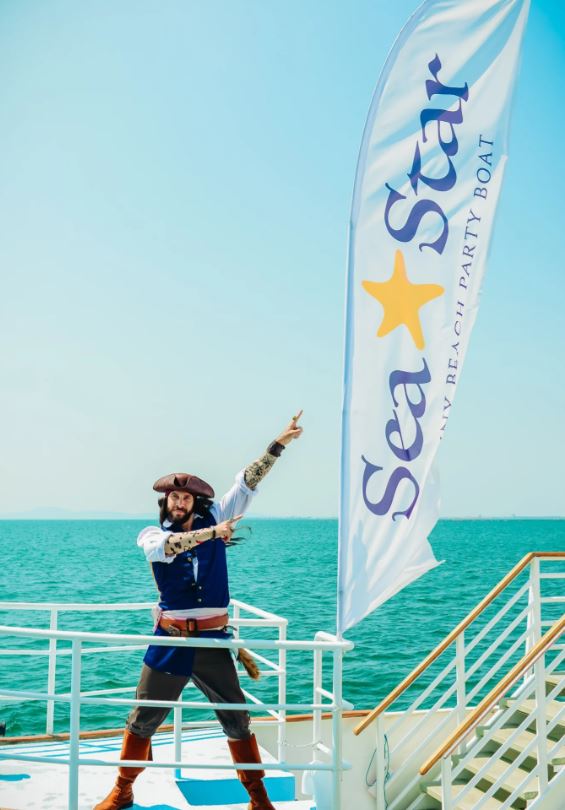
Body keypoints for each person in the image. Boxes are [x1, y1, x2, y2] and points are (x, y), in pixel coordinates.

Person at [93, 412, 304, 810]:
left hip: (212, 641)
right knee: (143, 718)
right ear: (166, 502)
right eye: (173, 498)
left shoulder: (217, 517)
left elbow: (248, 481)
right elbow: (170, 548)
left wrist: (278, 444)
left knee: (237, 719)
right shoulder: (153, 535)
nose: (179, 503)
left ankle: (258, 798)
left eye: (186, 498)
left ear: (196, 502)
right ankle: (123, 789)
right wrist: (212, 534)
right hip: (170, 640)